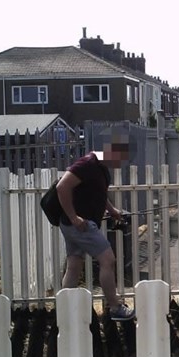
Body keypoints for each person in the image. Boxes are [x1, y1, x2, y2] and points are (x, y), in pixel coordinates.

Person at [56, 133, 134, 320]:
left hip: (77, 224)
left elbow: (99, 194)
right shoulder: (87, 164)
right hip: (80, 225)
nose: (121, 162)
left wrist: (113, 210)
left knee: (74, 265)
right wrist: (74, 217)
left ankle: (65, 311)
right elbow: (62, 187)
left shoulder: (101, 168)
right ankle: (115, 307)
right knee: (108, 260)